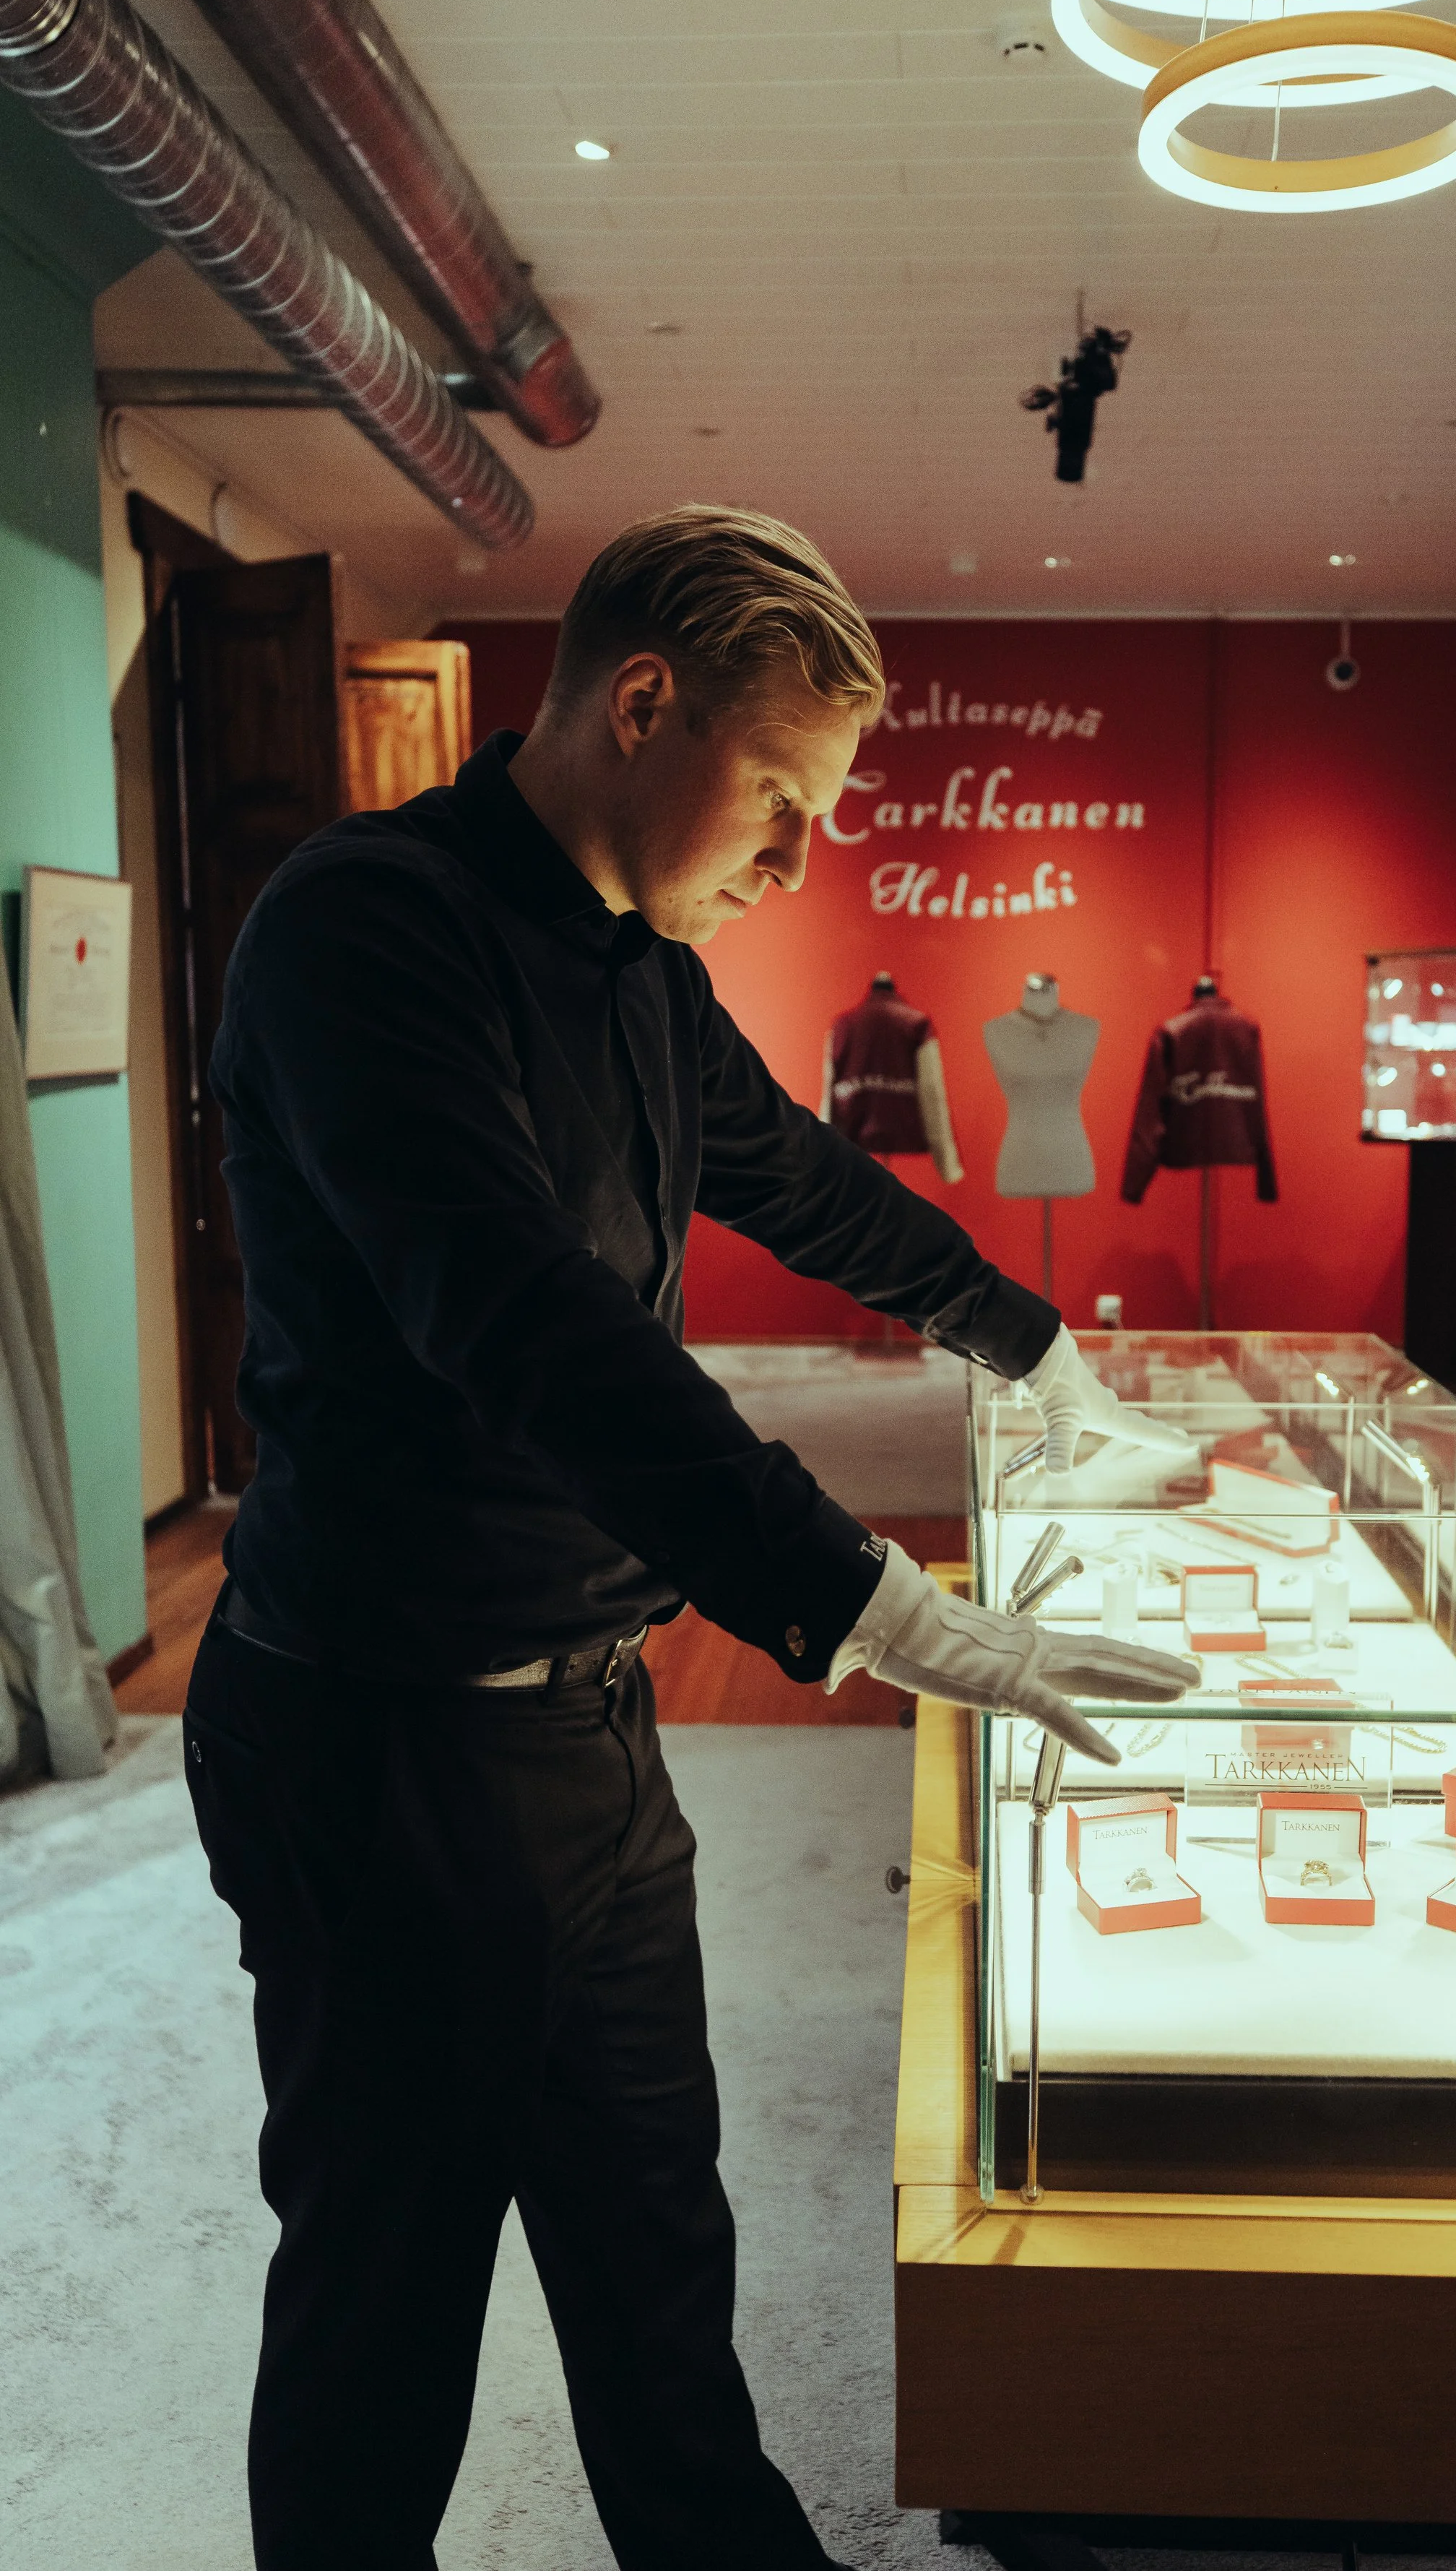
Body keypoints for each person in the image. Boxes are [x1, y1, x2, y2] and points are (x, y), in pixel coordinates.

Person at [186, 503, 1197, 2571]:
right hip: (374, 1739)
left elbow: (805, 1186)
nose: (799, 857)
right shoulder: (363, 927)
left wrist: (1030, 1339)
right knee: (385, 2316)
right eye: (781, 797)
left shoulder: (643, 968)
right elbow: (529, 1329)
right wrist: (893, 1611)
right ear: (641, 700)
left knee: (658, 2252)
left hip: (588, 1728)